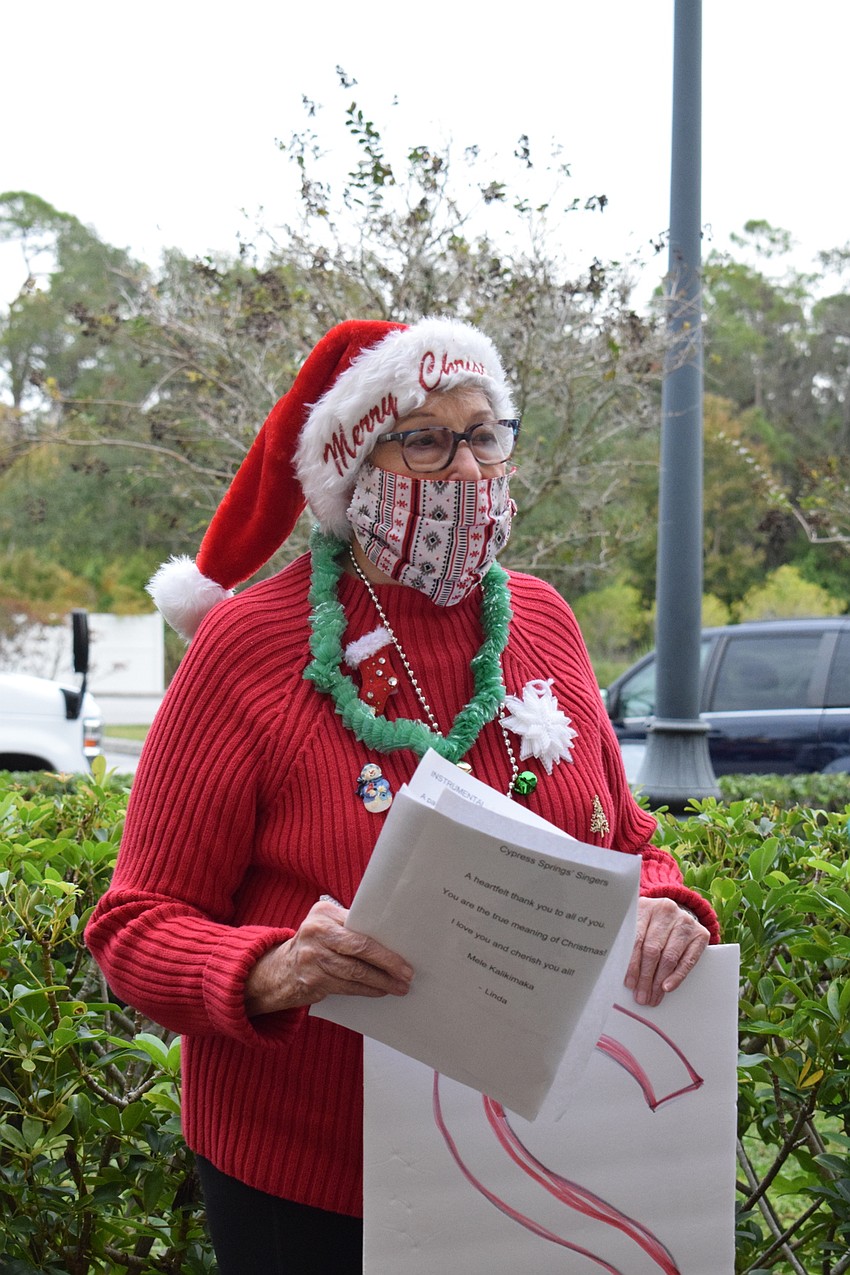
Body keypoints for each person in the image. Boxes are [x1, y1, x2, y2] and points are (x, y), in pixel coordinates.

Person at [86, 317, 719, 1275]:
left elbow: (623, 837)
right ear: (351, 467)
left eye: (486, 433)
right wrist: (275, 969)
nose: (468, 472)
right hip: (310, 1185)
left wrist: (666, 901)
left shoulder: (542, 618)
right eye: (424, 438)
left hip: (549, 1157)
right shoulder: (248, 648)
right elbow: (134, 928)